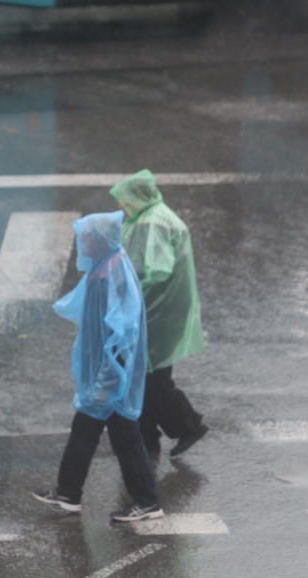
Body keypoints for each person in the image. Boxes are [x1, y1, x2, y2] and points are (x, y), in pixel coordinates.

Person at [32, 212, 162, 523]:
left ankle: (146, 501)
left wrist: (106, 381)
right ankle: (68, 492)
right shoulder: (106, 267)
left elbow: (121, 332)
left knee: (122, 438)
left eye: (88, 237)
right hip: (106, 377)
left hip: (110, 377)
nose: (83, 243)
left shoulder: (111, 276)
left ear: (101, 240)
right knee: (93, 432)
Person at [110, 169, 208, 458]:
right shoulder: (156, 216)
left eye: (122, 200)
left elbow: (154, 270)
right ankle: (146, 433)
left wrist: (125, 290)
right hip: (162, 314)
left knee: (152, 378)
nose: (120, 207)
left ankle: (187, 425)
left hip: (155, 314)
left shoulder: (150, 224)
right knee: (142, 374)